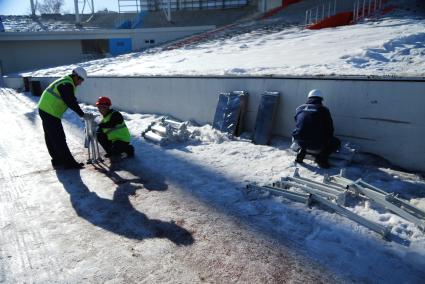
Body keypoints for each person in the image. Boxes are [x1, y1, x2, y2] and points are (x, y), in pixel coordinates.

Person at [38, 66, 91, 169]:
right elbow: (70, 101)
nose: (81, 83)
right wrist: (82, 114)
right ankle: (69, 163)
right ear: (76, 76)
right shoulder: (66, 84)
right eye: (81, 80)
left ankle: (57, 160)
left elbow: (70, 100)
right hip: (50, 112)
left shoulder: (66, 82)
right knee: (59, 138)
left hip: (45, 109)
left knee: (51, 137)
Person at [292, 89, 340, 168]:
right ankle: (321, 158)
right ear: (321, 99)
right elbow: (330, 129)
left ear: (309, 98)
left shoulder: (299, 108)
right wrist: (327, 140)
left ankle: (301, 152)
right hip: (316, 144)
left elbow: (299, 123)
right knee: (336, 142)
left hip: (299, 141)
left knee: (303, 131)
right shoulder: (323, 109)